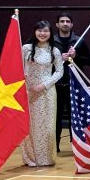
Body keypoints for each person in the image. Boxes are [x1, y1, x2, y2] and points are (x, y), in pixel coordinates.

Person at [21, 21, 64, 167]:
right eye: (39, 30)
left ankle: (46, 158)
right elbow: (18, 68)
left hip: (47, 93)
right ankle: (30, 158)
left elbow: (59, 71)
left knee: (47, 125)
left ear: (50, 33)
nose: (42, 33)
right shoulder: (26, 49)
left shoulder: (54, 51)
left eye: (45, 31)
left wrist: (44, 85)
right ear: (34, 32)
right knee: (29, 125)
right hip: (28, 91)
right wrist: (27, 85)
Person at [52, 12, 90, 153]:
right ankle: (54, 146)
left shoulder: (79, 40)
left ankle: (76, 145)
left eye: (67, 21)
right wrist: (57, 60)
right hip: (55, 85)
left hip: (74, 85)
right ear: (57, 24)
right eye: (62, 21)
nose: (65, 23)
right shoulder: (51, 41)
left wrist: (76, 57)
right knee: (55, 117)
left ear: (72, 24)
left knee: (74, 116)